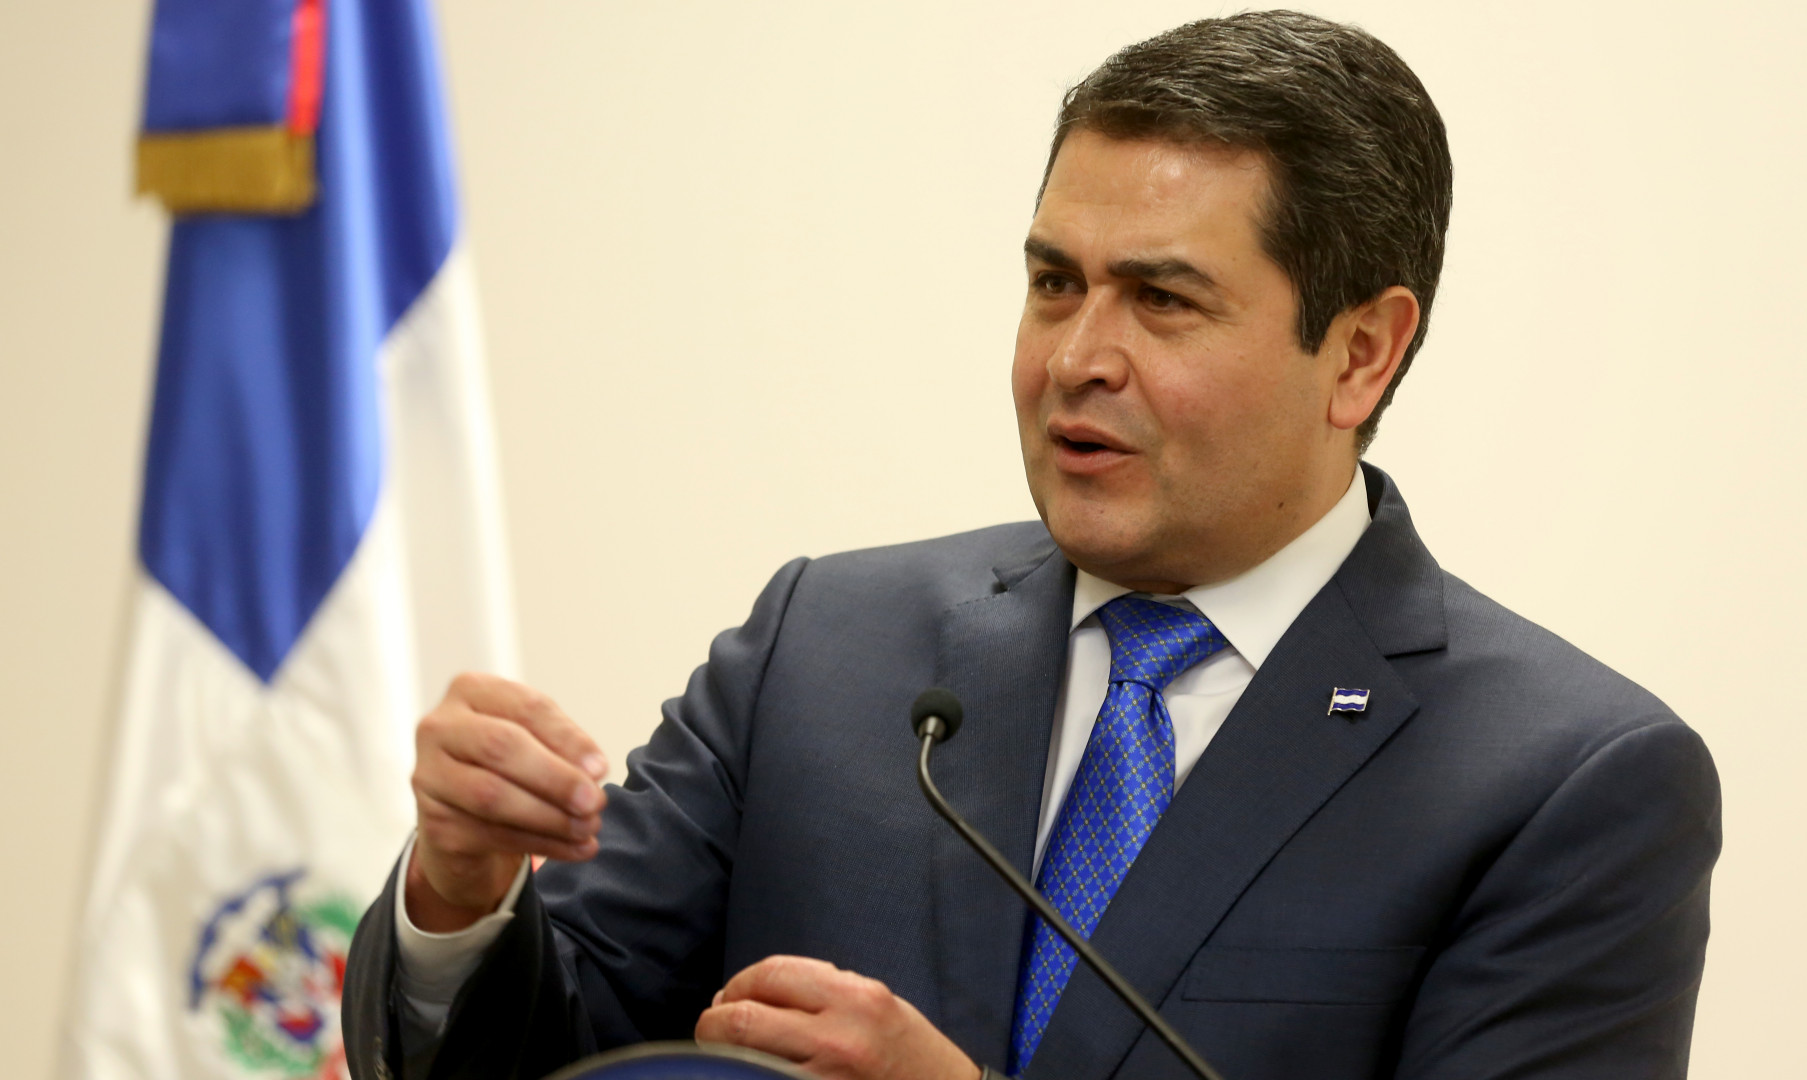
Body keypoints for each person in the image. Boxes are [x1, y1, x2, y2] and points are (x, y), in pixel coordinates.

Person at [343, 11, 1720, 1080]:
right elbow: (558, 1053)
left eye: (1162, 301)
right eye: (1055, 284)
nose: (1075, 358)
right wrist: (461, 896)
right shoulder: (821, 649)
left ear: (1361, 352)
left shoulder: (1564, 785)